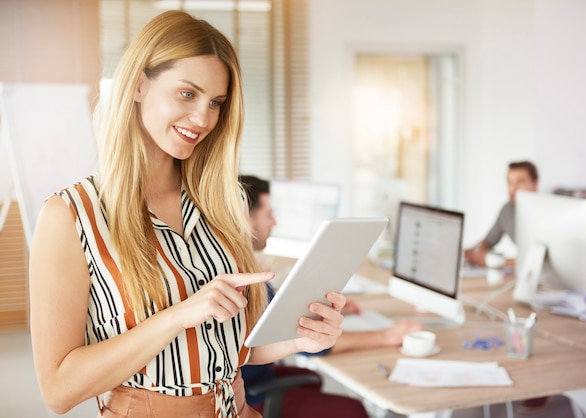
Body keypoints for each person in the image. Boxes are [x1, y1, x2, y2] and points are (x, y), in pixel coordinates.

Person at [28, 11, 346, 418]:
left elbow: (231, 344)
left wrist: (300, 338)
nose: (203, 119)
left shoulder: (222, 200)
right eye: (187, 94)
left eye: (216, 103)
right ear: (139, 84)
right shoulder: (71, 215)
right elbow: (58, 390)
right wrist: (178, 316)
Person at [238, 175, 424, 416]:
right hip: (249, 394)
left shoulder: (245, 264)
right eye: (268, 214)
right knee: (352, 409)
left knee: (311, 379)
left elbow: (276, 318)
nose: (274, 222)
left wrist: (312, 303)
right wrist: (387, 336)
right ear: (245, 218)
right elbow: (306, 339)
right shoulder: (246, 278)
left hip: (255, 375)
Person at [464, 160, 539, 267]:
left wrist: (492, 260)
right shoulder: (507, 210)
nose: (513, 189)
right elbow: (487, 242)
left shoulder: (545, 215)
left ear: (535, 184)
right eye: (509, 183)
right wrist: (472, 252)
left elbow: (540, 263)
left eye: (520, 182)